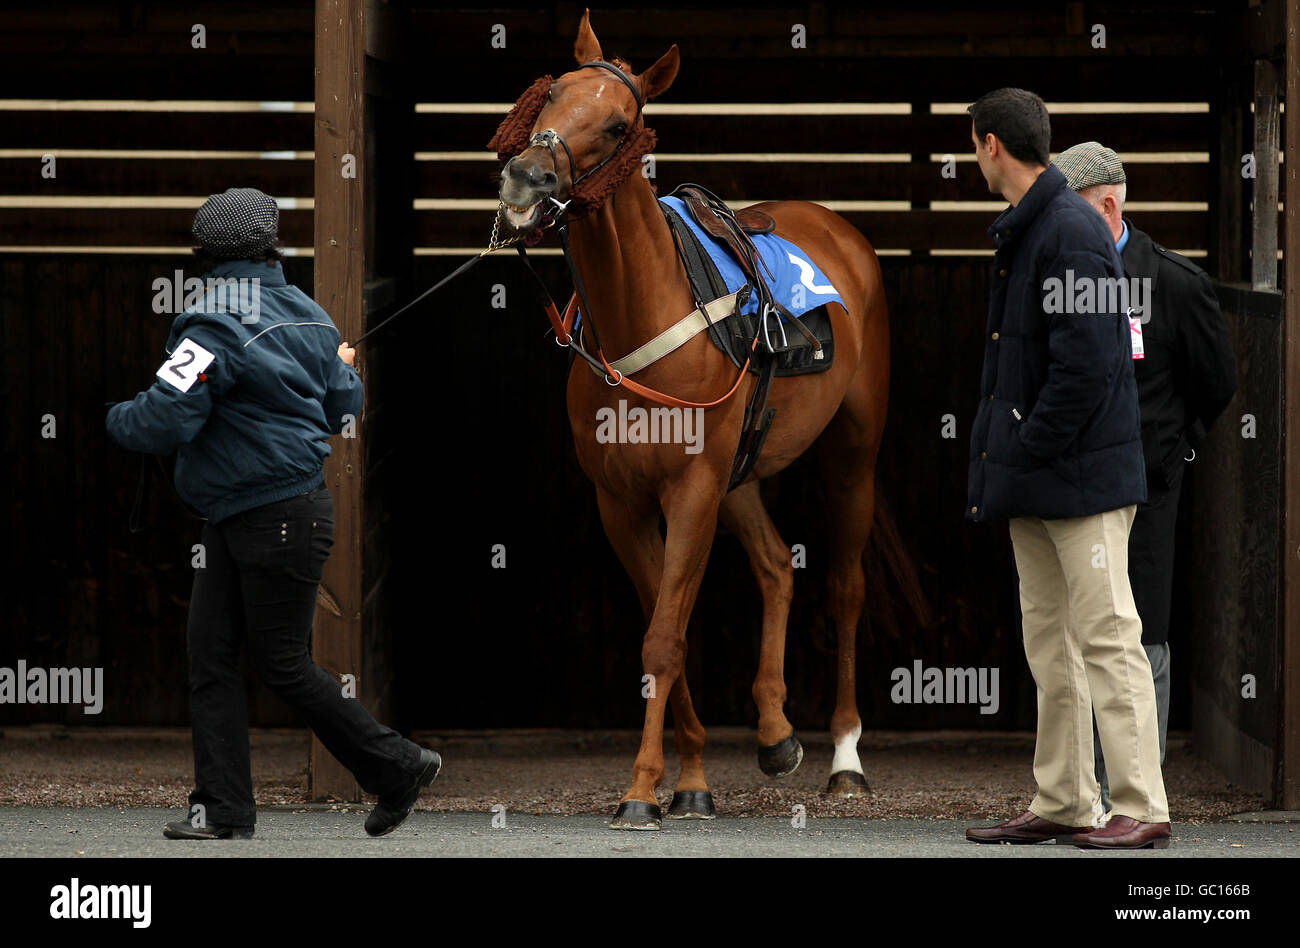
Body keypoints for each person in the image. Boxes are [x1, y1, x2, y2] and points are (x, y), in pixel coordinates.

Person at [106, 187, 439, 839]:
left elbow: (168, 415)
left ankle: (398, 765)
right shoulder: (311, 317)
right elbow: (344, 407)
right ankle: (222, 810)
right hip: (267, 512)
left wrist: (117, 418)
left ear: (204, 252)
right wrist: (341, 367)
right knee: (211, 656)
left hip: (267, 515)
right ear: (271, 245)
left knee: (281, 662)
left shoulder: (211, 321)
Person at [960, 90, 1171, 849]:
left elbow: (1086, 368)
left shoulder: (1068, 230)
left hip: (1077, 479)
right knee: (1052, 644)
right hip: (1047, 477)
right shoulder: (1040, 227)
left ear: (989, 145)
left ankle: (1143, 806)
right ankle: (1066, 801)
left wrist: (1024, 446)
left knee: (1108, 638)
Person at [1052, 142, 1237, 814]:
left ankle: (1134, 791)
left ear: (1107, 205)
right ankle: (1078, 792)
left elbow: (1217, 383)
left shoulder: (1175, 285)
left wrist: (1173, 448)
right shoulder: (1056, 280)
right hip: (1070, 485)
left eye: (1066, 213)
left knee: (1140, 633)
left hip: (1147, 489)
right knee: (1071, 630)